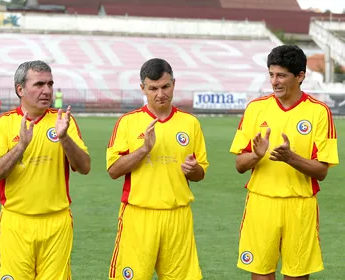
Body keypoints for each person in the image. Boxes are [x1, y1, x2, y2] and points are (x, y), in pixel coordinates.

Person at [230, 45, 339, 280]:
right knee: (260, 273)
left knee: (297, 275)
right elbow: (239, 165)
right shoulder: (255, 108)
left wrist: (291, 158)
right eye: (271, 74)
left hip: (300, 206)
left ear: (300, 76)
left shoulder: (319, 112)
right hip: (261, 203)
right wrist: (256, 155)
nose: (274, 81)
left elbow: (321, 171)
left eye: (281, 75)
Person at [0, 60, 91, 279]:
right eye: (39, 84)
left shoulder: (62, 121)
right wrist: (21, 146)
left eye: (50, 84)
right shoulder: (2, 124)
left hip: (57, 222)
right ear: (20, 89)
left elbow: (84, 167)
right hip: (16, 222)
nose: (47, 90)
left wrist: (64, 138)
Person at [107, 58, 208, 279]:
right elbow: (113, 170)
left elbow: (200, 173)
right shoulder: (128, 122)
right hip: (139, 216)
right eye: (152, 88)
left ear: (174, 83)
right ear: (142, 88)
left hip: (178, 217)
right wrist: (143, 150)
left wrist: (193, 170)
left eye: (165, 87)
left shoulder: (190, 123)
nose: (160, 94)